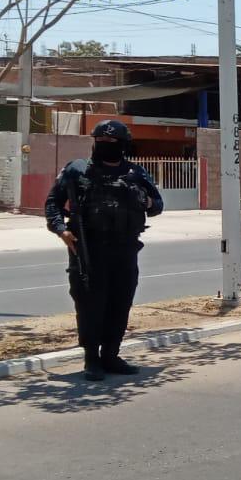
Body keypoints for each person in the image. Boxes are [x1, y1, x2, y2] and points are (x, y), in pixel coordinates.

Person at [44, 120, 163, 381]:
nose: (106, 146)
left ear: (123, 145)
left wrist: (146, 200)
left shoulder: (135, 173)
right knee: (90, 305)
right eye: (101, 142)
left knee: (120, 303)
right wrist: (61, 231)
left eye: (112, 143)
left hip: (125, 250)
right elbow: (53, 202)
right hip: (88, 250)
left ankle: (111, 354)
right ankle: (91, 359)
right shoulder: (77, 170)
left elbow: (157, 205)